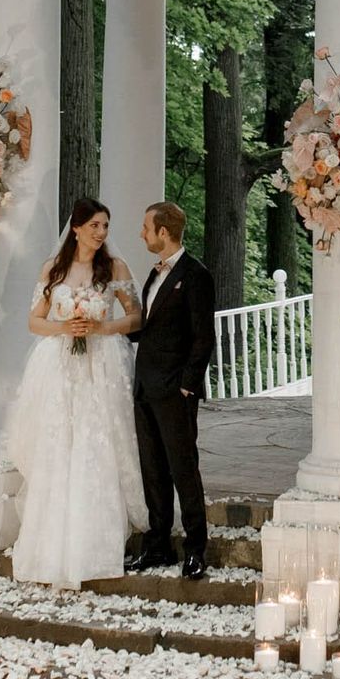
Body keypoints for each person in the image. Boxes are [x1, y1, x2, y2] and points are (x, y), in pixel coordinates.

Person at [2, 198, 149, 588]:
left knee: (98, 440)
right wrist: (66, 328)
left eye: (106, 226)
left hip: (103, 363)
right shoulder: (54, 269)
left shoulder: (114, 268)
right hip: (60, 364)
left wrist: (103, 328)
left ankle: (100, 539)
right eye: (96, 225)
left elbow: (136, 316)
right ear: (77, 228)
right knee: (59, 442)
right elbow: (35, 321)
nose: (102, 233)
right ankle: (51, 541)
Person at [125, 200, 216, 581]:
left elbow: (203, 337)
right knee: (153, 470)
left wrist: (186, 387)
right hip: (145, 384)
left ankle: (195, 549)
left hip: (174, 390)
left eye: (147, 228)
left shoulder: (195, 275)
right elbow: (146, 327)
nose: (142, 234)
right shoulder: (154, 275)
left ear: (164, 232)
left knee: (183, 469)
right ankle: (157, 545)